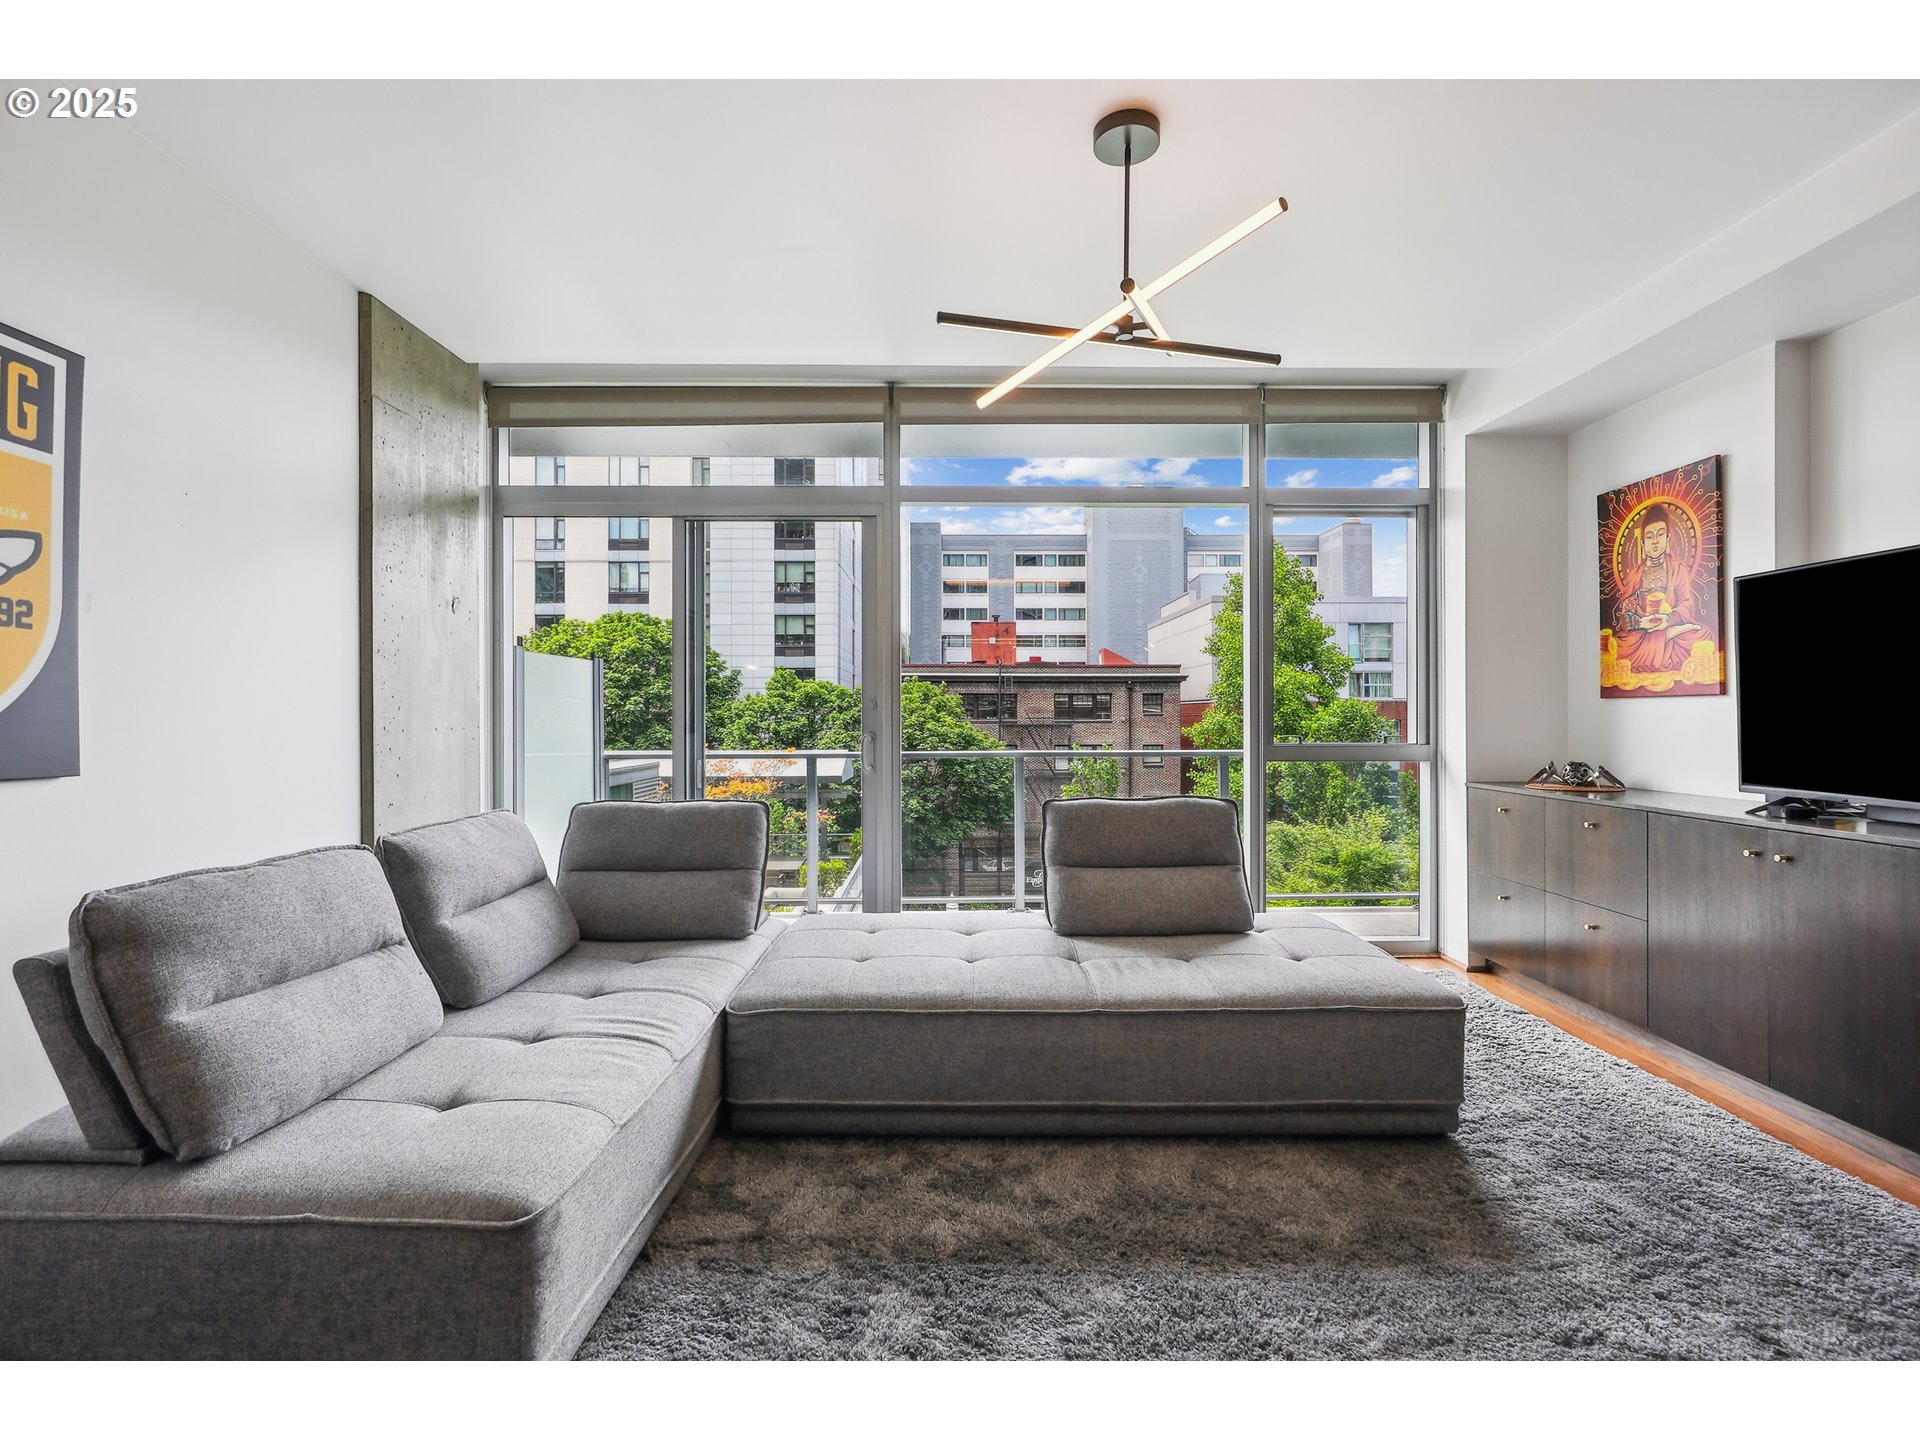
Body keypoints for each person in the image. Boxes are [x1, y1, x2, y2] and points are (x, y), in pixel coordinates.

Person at [1610, 504, 1707, 675]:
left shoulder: (1678, 569)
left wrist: (1668, 619)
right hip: (1642, 632)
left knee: (1701, 634)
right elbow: (1625, 615)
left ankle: (1668, 634)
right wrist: (1641, 622)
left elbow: (1686, 603)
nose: (1655, 541)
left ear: (1668, 538)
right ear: (1643, 542)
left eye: (1660, 534)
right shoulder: (1635, 575)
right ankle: (1666, 636)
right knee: (1617, 644)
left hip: (1668, 624)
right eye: (1649, 536)